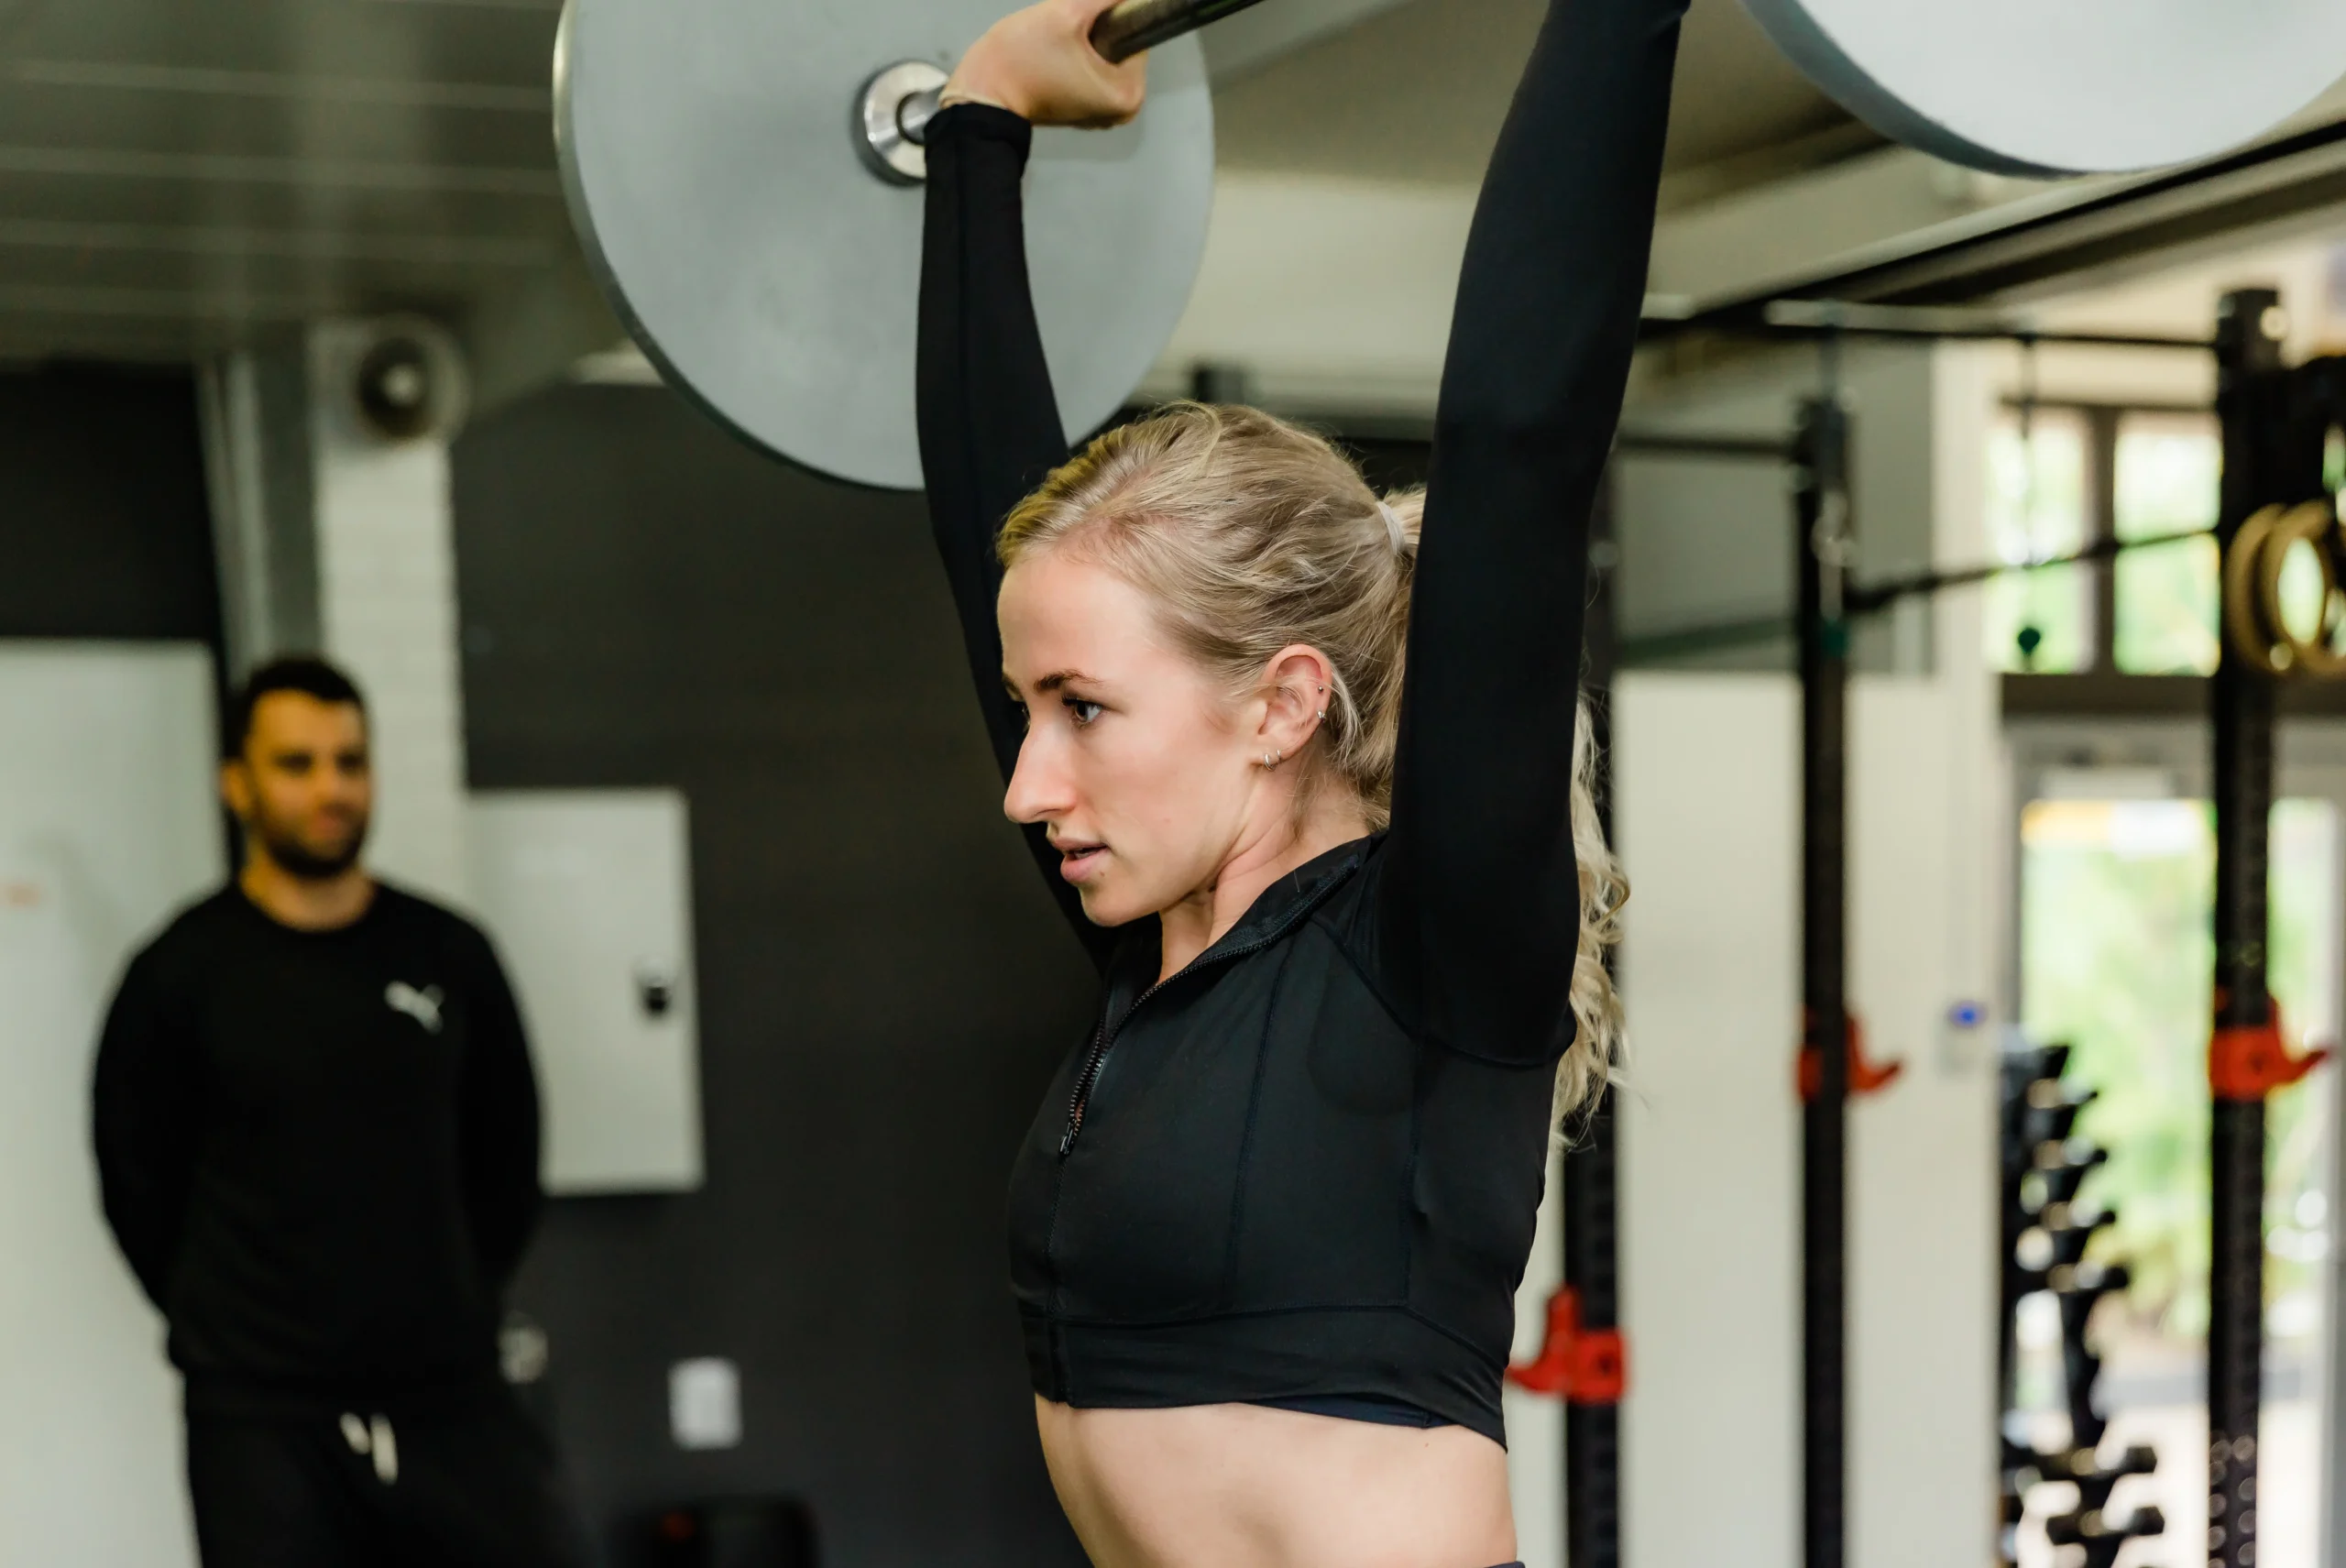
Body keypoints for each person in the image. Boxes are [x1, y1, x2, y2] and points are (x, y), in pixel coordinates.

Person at [915, 0, 1678, 1562]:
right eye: (1024, 709)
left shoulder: (1432, 957)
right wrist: (978, 121)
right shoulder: (1156, 953)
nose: (1025, 782)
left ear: (1280, 705)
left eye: (1079, 709)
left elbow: (1522, 440)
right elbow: (978, 518)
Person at [92, 655, 584, 1568]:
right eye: (298, 763)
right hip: (263, 1418)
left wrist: (451, 1297)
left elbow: (507, 1157)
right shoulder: (179, 975)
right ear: (237, 782)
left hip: (451, 1396)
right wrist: (235, 1320)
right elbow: (137, 1181)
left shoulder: (448, 954)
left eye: (349, 761)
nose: (331, 788)